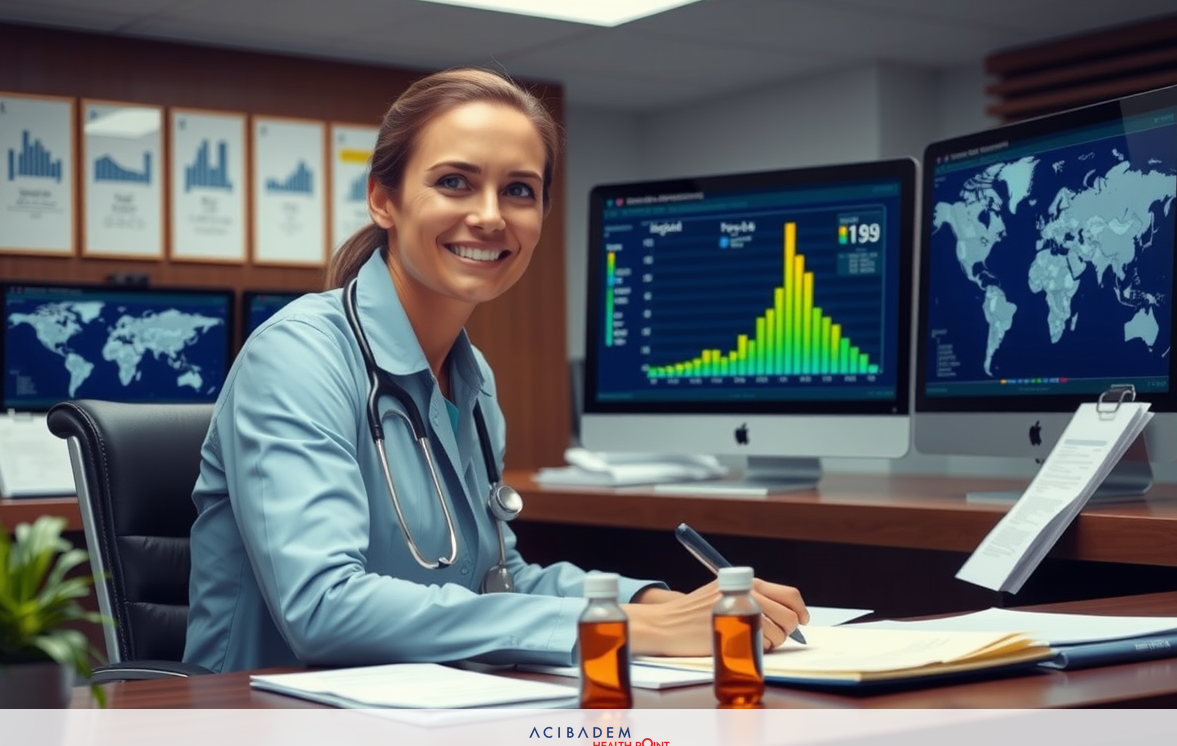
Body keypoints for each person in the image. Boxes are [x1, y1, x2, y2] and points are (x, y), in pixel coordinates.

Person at [184, 67, 808, 674]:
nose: (491, 216)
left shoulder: (472, 377)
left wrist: (654, 603)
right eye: (455, 182)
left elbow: (498, 580)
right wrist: (626, 631)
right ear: (383, 200)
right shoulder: (299, 356)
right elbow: (323, 608)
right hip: (267, 723)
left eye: (519, 190)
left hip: (424, 715)